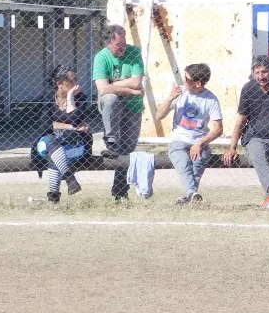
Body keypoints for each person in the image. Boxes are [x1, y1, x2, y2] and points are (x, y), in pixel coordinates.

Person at [222, 54, 269, 210]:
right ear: (252, 73)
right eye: (257, 73)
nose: (261, 76)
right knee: (259, 157)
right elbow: (241, 120)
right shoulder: (248, 89)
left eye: (264, 72)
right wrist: (232, 147)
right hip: (255, 137)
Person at [155, 62, 223, 204]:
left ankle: (189, 197)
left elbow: (218, 129)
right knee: (185, 165)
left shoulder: (210, 99)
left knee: (196, 167)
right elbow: (158, 116)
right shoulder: (179, 93)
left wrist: (199, 143)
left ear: (198, 83)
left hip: (200, 141)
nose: (183, 81)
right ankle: (192, 193)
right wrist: (170, 98)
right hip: (180, 139)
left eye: (186, 79)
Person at [92, 24, 145, 201]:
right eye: (118, 44)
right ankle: (111, 140)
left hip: (133, 106)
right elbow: (102, 90)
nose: (123, 47)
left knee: (128, 151)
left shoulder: (134, 52)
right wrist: (129, 89)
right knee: (110, 99)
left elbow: (137, 81)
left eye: (124, 43)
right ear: (108, 43)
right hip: (115, 105)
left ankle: (120, 191)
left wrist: (113, 86)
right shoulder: (101, 57)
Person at [41, 67, 90, 203]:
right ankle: (70, 179)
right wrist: (69, 126)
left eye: (75, 79)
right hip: (54, 141)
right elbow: (45, 125)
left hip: (74, 143)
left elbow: (75, 119)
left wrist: (70, 98)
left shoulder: (81, 98)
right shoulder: (48, 98)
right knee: (52, 143)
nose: (75, 82)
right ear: (59, 84)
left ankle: (53, 198)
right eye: (70, 80)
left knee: (54, 152)